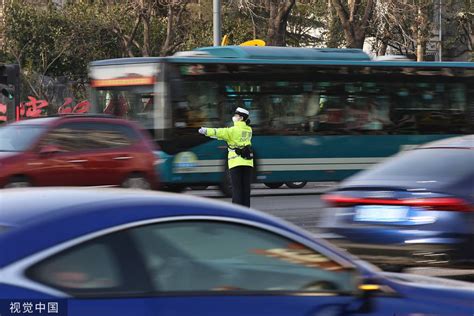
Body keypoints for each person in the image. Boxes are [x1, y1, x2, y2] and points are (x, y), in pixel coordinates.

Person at [199, 107, 253, 207]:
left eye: (236, 116)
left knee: (237, 189)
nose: (234, 117)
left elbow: (219, 132)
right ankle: (246, 212)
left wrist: (205, 131)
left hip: (235, 163)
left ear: (241, 118)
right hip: (248, 162)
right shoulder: (249, 130)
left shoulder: (232, 131)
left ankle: (237, 213)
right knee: (246, 189)